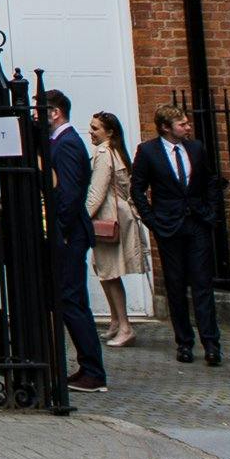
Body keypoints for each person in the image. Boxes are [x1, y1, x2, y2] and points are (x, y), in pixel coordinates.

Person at [131, 106, 223, 365]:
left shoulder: (195, 149)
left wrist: (210, 213)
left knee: (203, 284)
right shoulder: (148, 151)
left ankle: (211, 343)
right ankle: (184, 342)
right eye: (182, 124)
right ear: (165, 127)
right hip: (168, 226)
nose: (188, 127)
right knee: (175, 285)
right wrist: (152, 221)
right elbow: (138, 189)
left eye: (187, 123)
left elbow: (210, 181)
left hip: (196, 223)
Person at [38, 89, 108, 391]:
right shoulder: (60, 142)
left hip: (69, 235)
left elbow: (68, 195)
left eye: (41, 111)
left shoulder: (66, 144)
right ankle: (87, 367)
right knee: (70, 300)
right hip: (69, 233)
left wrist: (59, 231)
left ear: (55, 113)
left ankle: (93, 370)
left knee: (72, 300)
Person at [85, 111, 151, 348]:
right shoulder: (116, 151)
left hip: (108, 218)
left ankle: (125, 326)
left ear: (109, 132)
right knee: (105, 271)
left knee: (110, 273)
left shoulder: (104, 153)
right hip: (120, 215)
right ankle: (115, 321)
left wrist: (81, 218)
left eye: (95, 128)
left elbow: (97, 192)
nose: (91, 133)